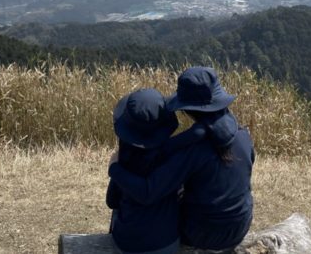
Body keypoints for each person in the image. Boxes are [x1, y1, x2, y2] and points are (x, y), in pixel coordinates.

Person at [108, 67, 255, 252]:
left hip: (205, 234)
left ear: (187, 109)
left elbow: (149, 192)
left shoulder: (192, 151)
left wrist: (114, 168)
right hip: (241, 224)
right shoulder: (243, 135)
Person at [106, 88, 205, 254]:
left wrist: (114, 169)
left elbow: (112, 201)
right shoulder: (175, 156)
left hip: (127, 243)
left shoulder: (124, 159)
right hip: (165, 243)